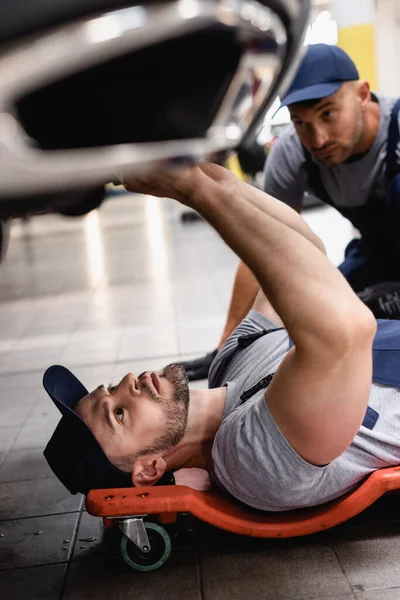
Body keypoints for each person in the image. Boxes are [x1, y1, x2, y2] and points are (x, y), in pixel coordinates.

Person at [44, 161, 400, 512]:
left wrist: (204, 176)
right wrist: (198, 193)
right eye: (119, 414)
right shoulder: (251, 463)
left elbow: (307, 248)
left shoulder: (230, 361)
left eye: (110, 388)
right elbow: (345, 332)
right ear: (150, 467)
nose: (128, 383)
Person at [181, 43, 400, 381]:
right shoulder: (293, 155)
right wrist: (227, 347)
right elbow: (263, 244)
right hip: (377, 256)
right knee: (319, 307)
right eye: (301, 122)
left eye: (327, 113)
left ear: (362, 94)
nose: (318, 138)